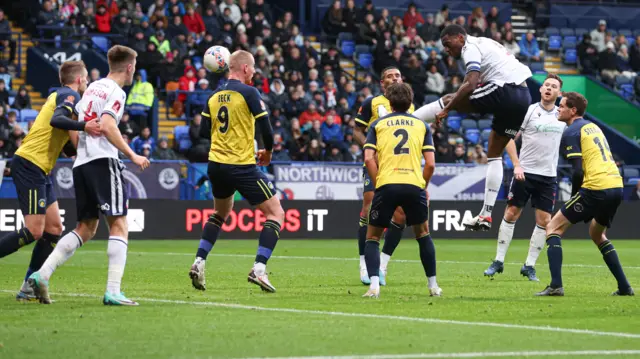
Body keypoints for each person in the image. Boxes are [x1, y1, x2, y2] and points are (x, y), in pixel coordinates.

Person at [27, 46, 150, 306]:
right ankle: (113, 291)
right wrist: (132, 155)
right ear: (129, 67)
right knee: (119, 224)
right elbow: (107, 125)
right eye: (134, 66)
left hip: (81, 163)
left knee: (86, 227)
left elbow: (76, 125)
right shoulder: (116, 91)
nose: (134, 71)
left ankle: (42, 274)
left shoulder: (92, 88)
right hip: (104, 161)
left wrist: (80, 150)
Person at [413, 24, 532, 231]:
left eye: (448, 44)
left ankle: (408, 120)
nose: (447, 50)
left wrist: (447, 109)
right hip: (523, 96)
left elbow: (471, 83)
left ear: (460, 37)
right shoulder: (485, 41)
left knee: (452, 97)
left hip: (505, 89)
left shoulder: (470, 47)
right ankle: (486, 215)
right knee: (494, 153)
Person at [0, 61, 100, 301]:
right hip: (29, 164)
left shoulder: (65, 99)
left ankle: (28, 287)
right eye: (85, 78)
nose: (86, 82)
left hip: (41, 169)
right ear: (78, 79)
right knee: (35, 230)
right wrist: (84, 125)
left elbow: (67, 146)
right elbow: (57, 120)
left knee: (54, 229)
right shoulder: (68, 95)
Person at [189, 50, 284, 293]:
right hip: (240, 165)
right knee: (276, 214)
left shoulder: (213, 96)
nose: (253, 72)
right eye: (252, 68)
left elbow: (202, 134)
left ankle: (199, 261)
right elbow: (265, 125)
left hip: (216, 165)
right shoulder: (249, 92)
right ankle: (259, 269)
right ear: (244, 68)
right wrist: (269, 152)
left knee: (220, 214)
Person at [536, 92, 633, 297]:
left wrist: (574, 196)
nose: (558, 109)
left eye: (561, 106)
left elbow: (578, 171)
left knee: (552, 227)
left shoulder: (571, 131)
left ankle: (555, 285)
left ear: (573, 110)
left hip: (596, 186)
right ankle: (624, 287)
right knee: (597, 234)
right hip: (616, 185)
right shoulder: (593, 126)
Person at [483, 74, 566, 281]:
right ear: (540, 90)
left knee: (544, 221)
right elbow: (509, 138)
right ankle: (498, 261)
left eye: (553, 86)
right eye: (546, 85)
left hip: (548, 177)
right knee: (511, 213)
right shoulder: (529, 111)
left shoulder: (562, 116)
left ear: (559, 93)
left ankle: (529, 266)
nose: (548, 88)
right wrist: (517, 164)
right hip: (525, 173)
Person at [361, 82, 439, 298]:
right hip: (414, 184)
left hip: (387, 183)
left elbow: (368, 158)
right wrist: (423, 186)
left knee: (373, 238)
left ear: (390, 103)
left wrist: (378, 185)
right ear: (410, 102)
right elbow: (431, 164)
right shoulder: (422, 126)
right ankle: (433, 286)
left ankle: (374, 286)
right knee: (423, 234)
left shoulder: (377, 124)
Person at [354, 67, 416, 286]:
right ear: (382, 82)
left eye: (398, 75)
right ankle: (364, 264)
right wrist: (370, 148)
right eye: (390, 76)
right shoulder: (372, 102)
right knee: (370, 206)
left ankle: (382, 264)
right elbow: (357, 130)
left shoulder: (409, 105)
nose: (394, 78)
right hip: (376, 163)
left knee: (400, 215)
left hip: (400, 166)